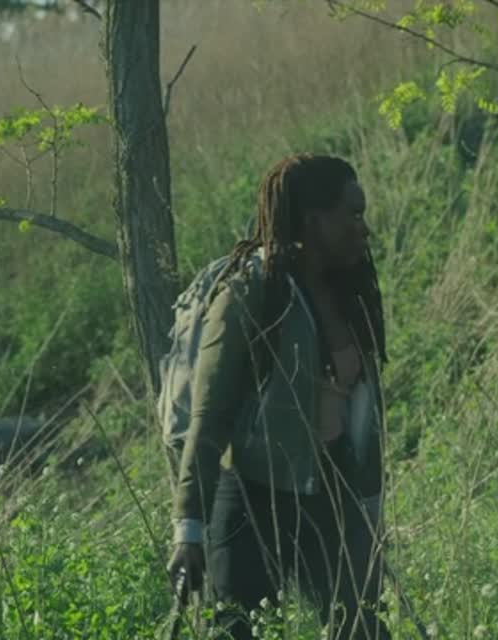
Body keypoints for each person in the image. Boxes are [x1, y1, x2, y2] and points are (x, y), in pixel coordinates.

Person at [165, 153, 391, 640]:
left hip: (332, 495)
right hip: (253, 498)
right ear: (313, 220)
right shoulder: (252, 291)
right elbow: (209, 416)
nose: (364, 229)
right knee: (236, 631)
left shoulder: (351, 292)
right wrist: (190, 527)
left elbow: (366, 416)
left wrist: (371, 514)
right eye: (352, 215)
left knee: (364, 631)